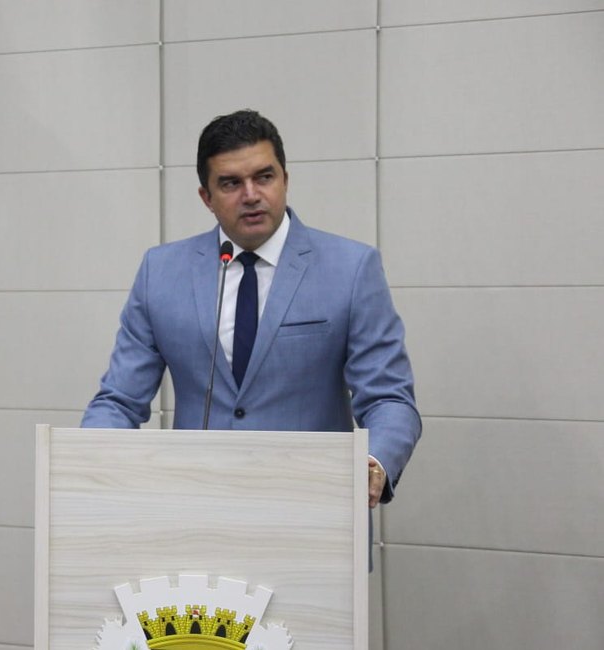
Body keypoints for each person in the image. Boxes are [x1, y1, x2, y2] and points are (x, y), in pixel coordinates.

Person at [81, 109, 420, 508]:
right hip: (197, 510)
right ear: (206, 198)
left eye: (264, 177)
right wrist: (87, 464)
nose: (251, 195)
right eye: (230, 183)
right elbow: (119, 400)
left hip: (314, 511)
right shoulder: (162, 272)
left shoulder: (350, 268)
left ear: (285, 180)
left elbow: (388, 398)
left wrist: (375, 462)